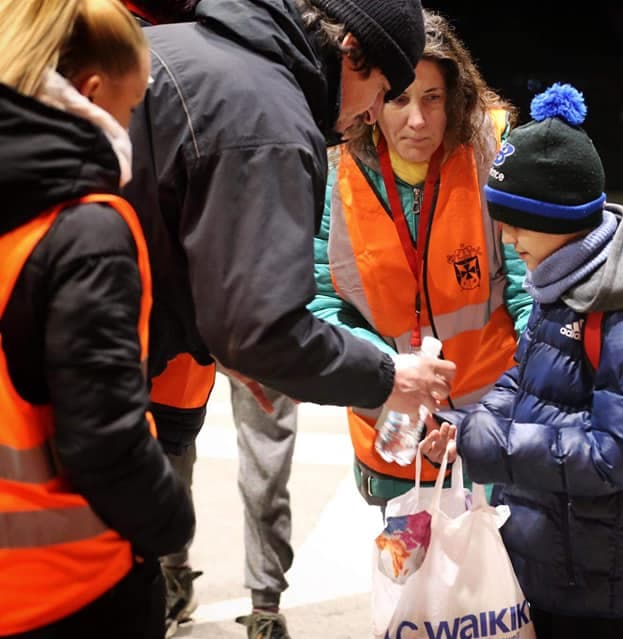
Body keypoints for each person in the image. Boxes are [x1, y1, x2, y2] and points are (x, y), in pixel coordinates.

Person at [121, 1, 455, 637]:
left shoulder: (185, 48)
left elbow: (169, 235)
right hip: (76, 388)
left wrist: (218, 337)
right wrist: (390, 375)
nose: (367, 115)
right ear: (349, 49)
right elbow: (263, 331)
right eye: (381, 90)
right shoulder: (266, 115)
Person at [224, 9, 533, 635]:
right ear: (372, 102)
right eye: (398, 99)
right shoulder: (333, 172)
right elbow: (318, 300)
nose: (416, 121)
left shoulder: (492, 157)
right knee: (415, 599)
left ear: (459, 100)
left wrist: (509, 403)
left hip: (493, 426)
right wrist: (390, 374)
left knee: (500, 594)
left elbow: (530, 293)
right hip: (393, 426)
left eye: (433, 99)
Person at [426, 83, 623, 639]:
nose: (505, 239)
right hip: (543, 553)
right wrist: (464, 427)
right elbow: (524, 380)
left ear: (559, 220)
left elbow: (616, 454)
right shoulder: (563, 283)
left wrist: (492, 446)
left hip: (590, 578)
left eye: (515, 223)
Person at [0, 1, 194, 637]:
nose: (132, 126)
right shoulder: (87, 230)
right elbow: (103, 443)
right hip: (73, 587)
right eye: (133, 107)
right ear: (90, 92)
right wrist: (171, 522)